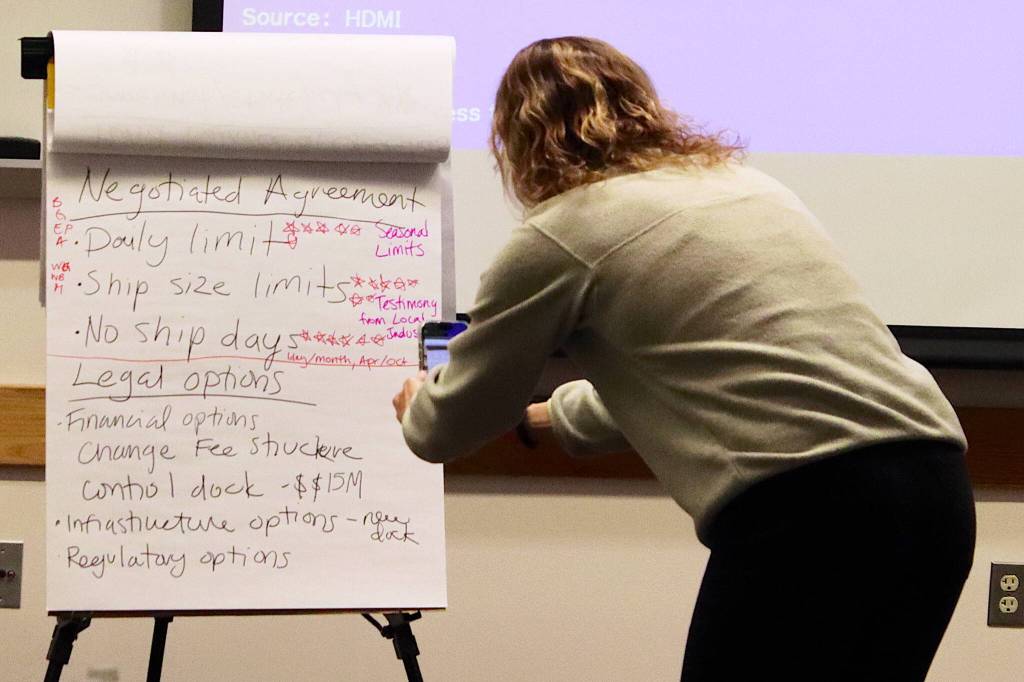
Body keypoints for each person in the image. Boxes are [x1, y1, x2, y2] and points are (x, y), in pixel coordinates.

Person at [392, 36, 975, 681]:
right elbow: (696, 374)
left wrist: (421, 403)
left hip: (810, 512)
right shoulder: (747, 187)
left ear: (517, 142)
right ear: (642, 105)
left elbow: (448, 426)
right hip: (934, 493)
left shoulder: (561, 233)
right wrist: (543, 419)